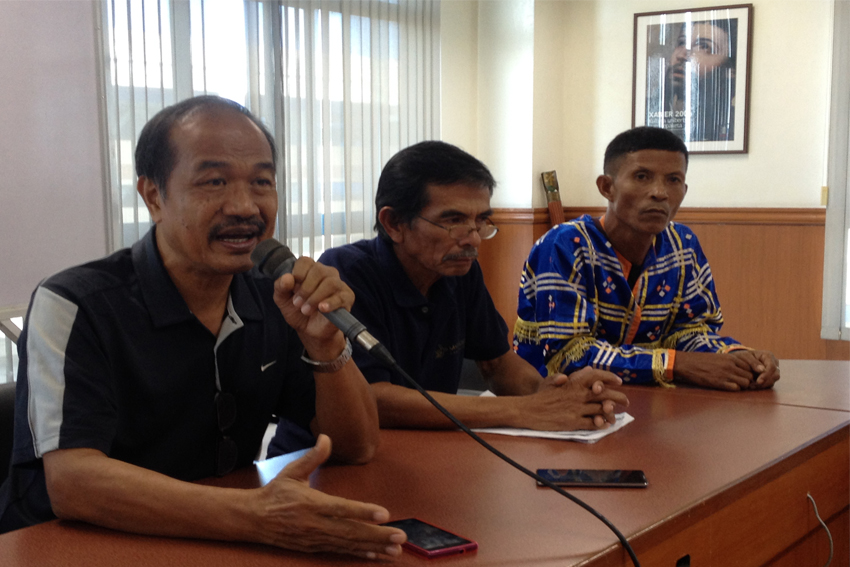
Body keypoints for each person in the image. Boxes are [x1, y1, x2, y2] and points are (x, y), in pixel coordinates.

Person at [0, 96, 407, 560]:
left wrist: (326, 344)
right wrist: (254, 515)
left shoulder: (273, 293)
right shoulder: (76, 302)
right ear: (154, 196)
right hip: (64, 545)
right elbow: (73, 482)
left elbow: (355, 447)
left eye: (262, 182)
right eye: (214, 181)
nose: (244, 205)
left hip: (205, 538)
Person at [268, 140, 627, 448]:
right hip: (326, 461)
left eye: (480, 221)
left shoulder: (458, 271)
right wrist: (522, 411)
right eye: (453, 220)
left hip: (425, 451)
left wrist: (551, 391)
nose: (471, 237)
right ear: (393, 223)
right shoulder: (345, 273)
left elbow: (497, 363)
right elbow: (375, 398)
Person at [514, 127, 779, 392]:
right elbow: (569, 355)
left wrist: (735, 356)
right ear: (607, 187)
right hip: (553, 402)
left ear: (684, 190)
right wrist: (677, 364)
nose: (660, 193)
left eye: (673, 180)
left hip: (651, 401)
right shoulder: (565, 245)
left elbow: (690, 331)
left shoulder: (682, 245)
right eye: (642, 177)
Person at [647, 19, 737, 142]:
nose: (682, 55)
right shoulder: (647, 113)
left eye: (704, 46)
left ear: (730, 70)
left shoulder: (734, 124)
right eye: (681, 42)